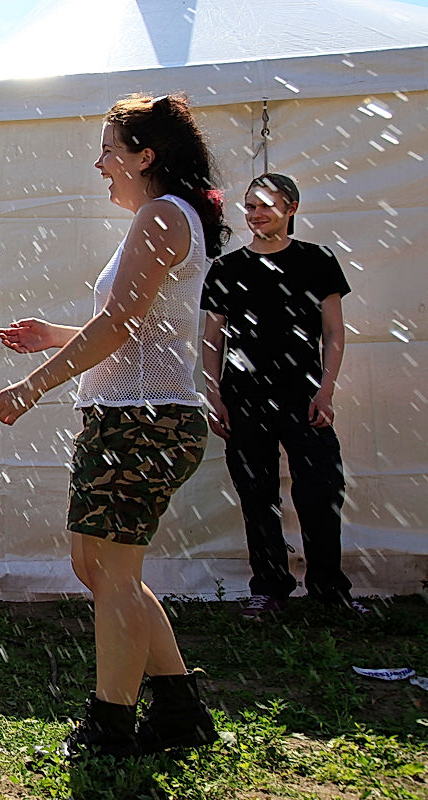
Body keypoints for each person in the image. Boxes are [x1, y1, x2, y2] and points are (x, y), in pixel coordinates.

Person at [0, 94, 228, 757]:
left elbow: (121, 324)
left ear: (144, 157)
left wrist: (34, 387)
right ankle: (179, 710)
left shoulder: (161, 216)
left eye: (109, 149)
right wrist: (55, 337)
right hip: (132, 417)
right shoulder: (165, 217)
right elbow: (137, 329)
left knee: (114, 573)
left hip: (146, 423)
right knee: (94, 564)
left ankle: (112, 724)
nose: (99, 164)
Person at [201, 173, 367, 619]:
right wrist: (215, 396)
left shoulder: (317, 261)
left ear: (291, 207)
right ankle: (270, 587)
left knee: (321, 492)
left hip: (305, 399)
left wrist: (326, 390)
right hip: (244, 401)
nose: (256, 215)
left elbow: (334, 332)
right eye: (250, 207)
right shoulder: (226, 269)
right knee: (257, 496)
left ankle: (330, 591)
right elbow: (212, 339)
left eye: (266, 206)